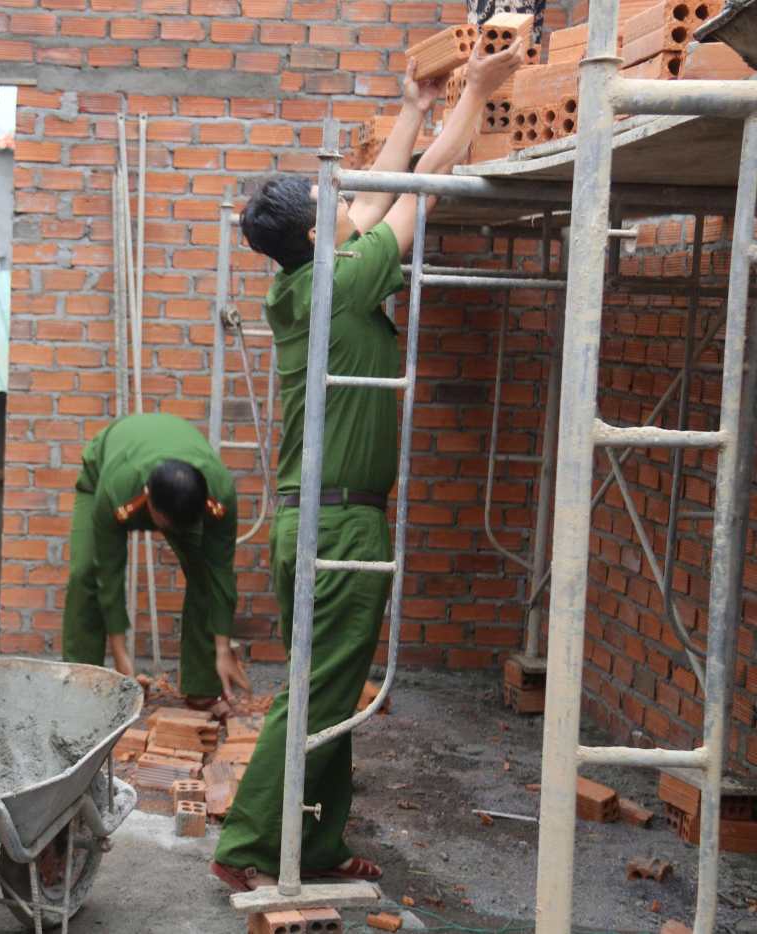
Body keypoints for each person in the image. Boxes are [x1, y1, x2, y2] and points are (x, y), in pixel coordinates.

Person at [210, 39, 527, 891]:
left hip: (312, 514)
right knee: (315, 696)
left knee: (329, 693)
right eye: (331, 199)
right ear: (321, 231)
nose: (345, 199)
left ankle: (312, 844)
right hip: (341, 522)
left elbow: (380, 187)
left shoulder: (301, 284)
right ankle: (247, 846)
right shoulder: (345, 281)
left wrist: (416, 102)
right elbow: (418, 188)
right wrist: (478, 95)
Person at [61, 412, 251, 717]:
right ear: (149, 503)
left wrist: (222, 648)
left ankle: (204, 688)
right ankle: (81, 686)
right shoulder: (118, 488)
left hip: (176, 494)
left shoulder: (220, 494)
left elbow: (221, 573)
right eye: (166, 525)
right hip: (102, 475)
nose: (169, 533)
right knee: (86, 572)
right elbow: (108, 572)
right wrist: (122, 656)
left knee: (203, 572)